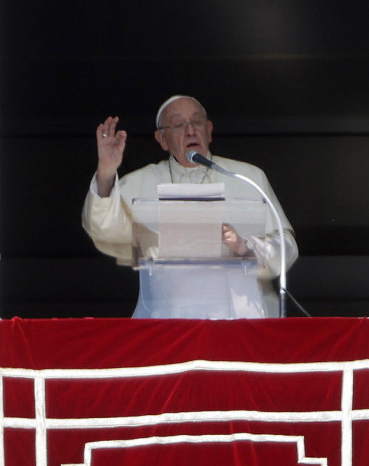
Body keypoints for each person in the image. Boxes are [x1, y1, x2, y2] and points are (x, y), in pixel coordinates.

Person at [82, 95, 298, 317]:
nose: (190, 131)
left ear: (209, 130)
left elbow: (286, 247)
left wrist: (245, 247)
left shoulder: (247, 177)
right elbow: (104, 231)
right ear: (162, 139)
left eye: (197, 122)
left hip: (239, 318)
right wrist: (107, 170)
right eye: (178, 125)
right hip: (169, 319)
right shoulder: (141, 182)